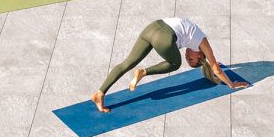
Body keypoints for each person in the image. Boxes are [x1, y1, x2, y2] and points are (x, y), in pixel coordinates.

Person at [92, 17, 244, 112]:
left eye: (188, 60)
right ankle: (143, 72)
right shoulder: (204, 44)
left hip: (152, 27)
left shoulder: (194, 37)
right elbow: (216, 68)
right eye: (191, 59)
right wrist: (231, 84)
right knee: (175, 63)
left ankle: (99, 93)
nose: (187, 56)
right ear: (200, 55)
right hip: (163, 35)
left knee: (127, 63)